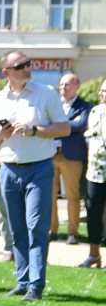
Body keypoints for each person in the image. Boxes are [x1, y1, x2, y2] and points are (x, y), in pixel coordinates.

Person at [0, 51, 70, 301]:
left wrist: (34, 130)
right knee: (17, 229)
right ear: (6, 72)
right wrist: (2, 134)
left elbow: (63, 128)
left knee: (37, 227)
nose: (26, 68)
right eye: (20, 65)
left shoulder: (45, 93)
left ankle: (36, 286)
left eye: (28, 64)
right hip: (9, 169)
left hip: (39, 168)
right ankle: (22, 281)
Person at [51, 72, 91, 244]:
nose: (63, 88)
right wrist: (68, 124)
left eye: (67, 85)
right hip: (51, 154)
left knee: (72, 195)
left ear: (77, 86)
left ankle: (72, 232)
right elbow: (46, 123)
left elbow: (81, 125)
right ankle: (52, 230)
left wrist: (57, 126)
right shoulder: (53, 105)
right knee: (48, 195)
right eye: (61, 85)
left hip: (72, 156)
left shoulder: (85, 106)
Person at [79, 81, 106, 268]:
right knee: (93, 212)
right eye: (102, 90)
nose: (101, 93)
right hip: (95, 171)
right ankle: (94, 254)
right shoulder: (96, 111)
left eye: (105, 91)